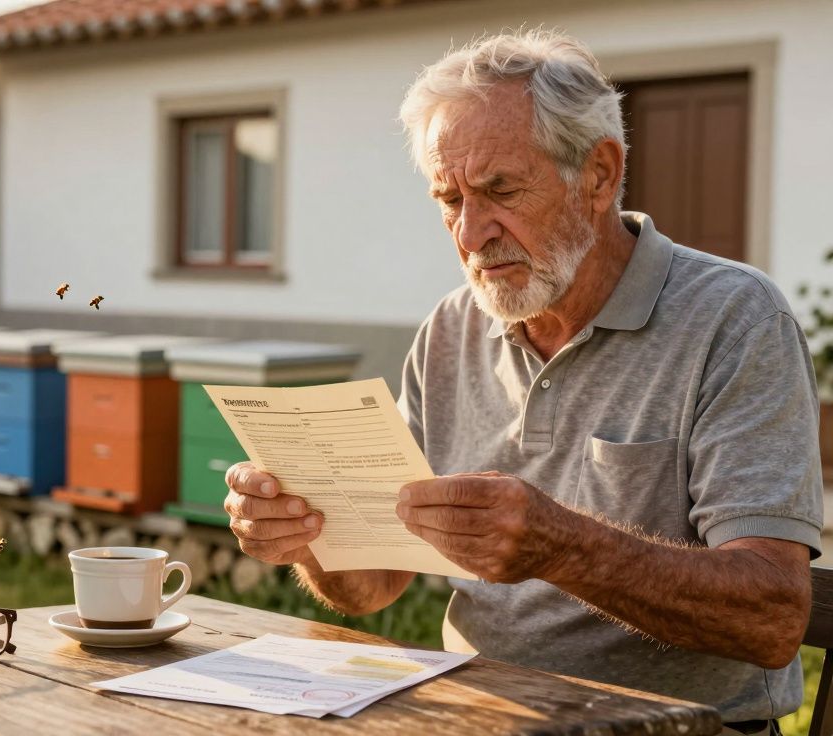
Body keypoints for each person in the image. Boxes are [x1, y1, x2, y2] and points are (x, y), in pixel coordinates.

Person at [223, 30, 822, 736]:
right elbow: (372, 585)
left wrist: (562, 547)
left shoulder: (735, 317)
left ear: (598, 175)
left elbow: (773, 616)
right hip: (478, 715)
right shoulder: (450, 329)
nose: (471, 234)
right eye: (449, 199)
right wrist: (310, 533)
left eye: (500, 190)